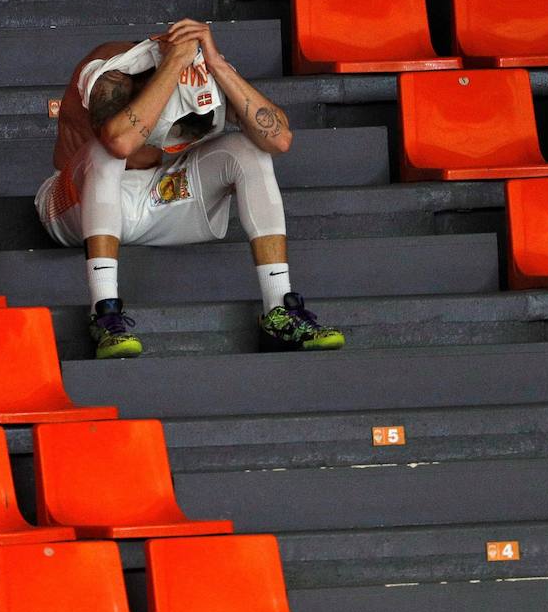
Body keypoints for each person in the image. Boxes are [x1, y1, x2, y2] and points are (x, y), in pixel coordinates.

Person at [35, 18, 345, 359]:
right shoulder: (114, 68)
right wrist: (173, 62)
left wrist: (217, 65)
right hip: (76, 204)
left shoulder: (205, 71)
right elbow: (120, 142)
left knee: (250, 151)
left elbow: (280, 139)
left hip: (160, 196)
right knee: (105, 152)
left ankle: (279, 309)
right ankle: (104, 312)